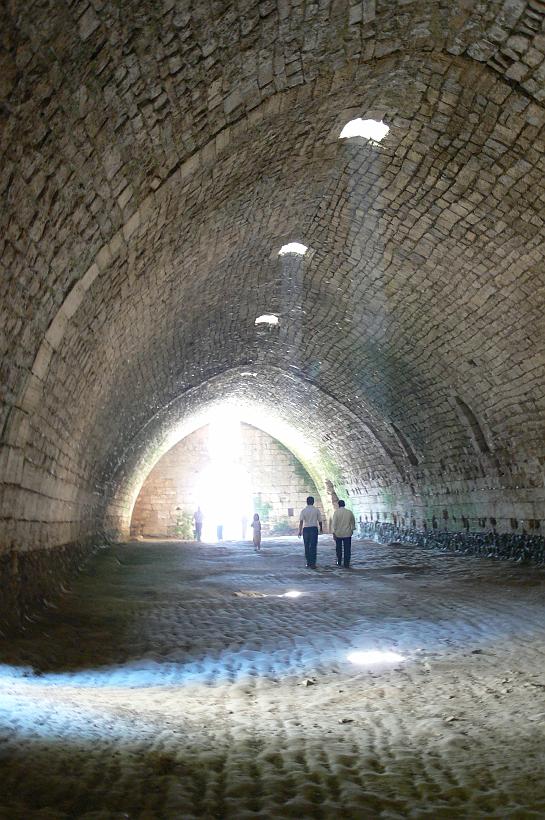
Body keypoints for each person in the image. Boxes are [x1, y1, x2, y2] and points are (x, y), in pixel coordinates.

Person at [298, 496, 323, 568]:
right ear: (313, 502)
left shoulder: (303, 511)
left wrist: (300, 531)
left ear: (307, 502)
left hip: (306, 529)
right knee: (313, 546)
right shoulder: (316, 510)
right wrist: (321, 528)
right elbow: (320, 521)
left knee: (306, 546)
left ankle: (308, 562)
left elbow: (301, 522)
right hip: (314, 529)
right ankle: (313, 563)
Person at [332, 499, 356, 568]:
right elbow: (352, 522)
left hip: (338, 533)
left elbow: (334, 524)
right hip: (347, 533)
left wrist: (333, 533)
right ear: (344, 504)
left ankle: (339, 561)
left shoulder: (336, 513)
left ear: (338, 505)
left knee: (338, 548)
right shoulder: (349, 512)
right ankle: (346, 563)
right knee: (347, 549)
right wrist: (352, 529)